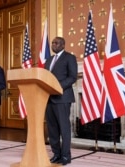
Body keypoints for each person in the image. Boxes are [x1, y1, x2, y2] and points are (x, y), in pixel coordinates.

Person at [44, 37, 78, 165]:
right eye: (52, 43)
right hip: (49, 98)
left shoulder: (69, 57)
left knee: (64, 128)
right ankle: (56, 154)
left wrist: (57, 86)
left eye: (56, 43)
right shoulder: (49, 60)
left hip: (62, 98)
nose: (54, 44)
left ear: (63, 45)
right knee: (52, 129)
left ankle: (65, 156)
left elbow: (72, 77)